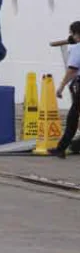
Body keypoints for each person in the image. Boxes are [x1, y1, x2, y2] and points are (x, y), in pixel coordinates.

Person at [52, 21, 80, 158]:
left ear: (76, 34)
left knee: (73, 117)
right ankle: (62, 147)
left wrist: (61, 87)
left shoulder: (77, 49)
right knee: (73, 116)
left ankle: (61, 148)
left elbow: (72, 70)